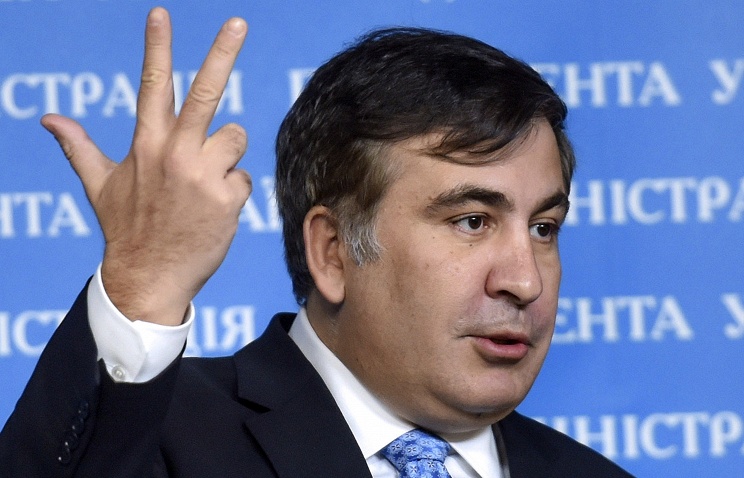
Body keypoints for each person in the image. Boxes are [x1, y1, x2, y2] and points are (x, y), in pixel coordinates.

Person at [0, 7, 633, 478]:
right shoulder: (158, 435)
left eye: (544, 228)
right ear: (333, 251)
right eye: (472, 221)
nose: (525, 281)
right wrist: (144, 282)